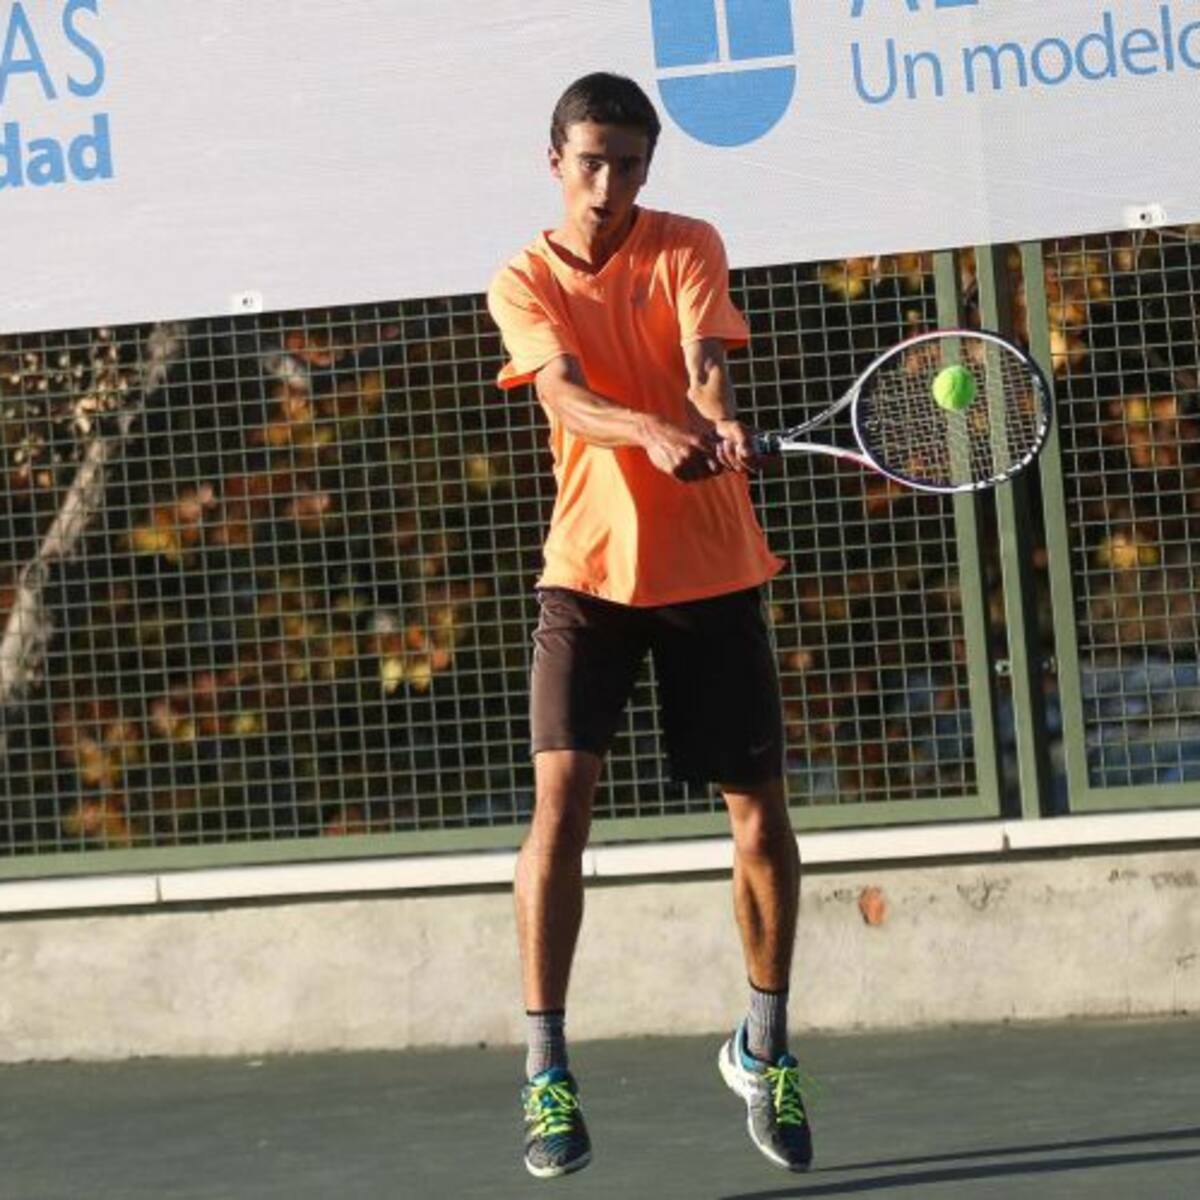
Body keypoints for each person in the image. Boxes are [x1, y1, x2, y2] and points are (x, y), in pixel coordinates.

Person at [487, 71, 812, 1179]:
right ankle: (545, 1072)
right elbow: (565, 397)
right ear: (555, 162)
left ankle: (762, 1046)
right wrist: (648, 432)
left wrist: (712, 423)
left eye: (629, 163)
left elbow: (707, 364)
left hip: (713, 572)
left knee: (759, 820)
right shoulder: (522, 278)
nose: (611, 184)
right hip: (587, 578)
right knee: (559, 806)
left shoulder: (688, 241)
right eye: (592, 162)